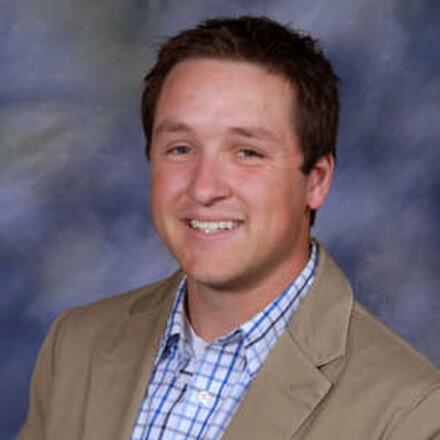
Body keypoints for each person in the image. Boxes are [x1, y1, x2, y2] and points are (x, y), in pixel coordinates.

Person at [19, 16, 440, 440]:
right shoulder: (75, 346)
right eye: (180, 149)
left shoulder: (412, 413)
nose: (204, 188)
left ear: (316, 181)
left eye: (247, 153)